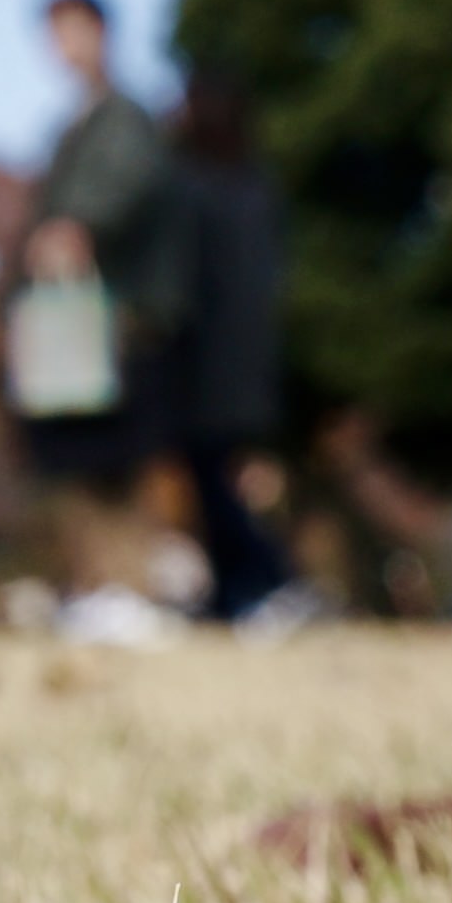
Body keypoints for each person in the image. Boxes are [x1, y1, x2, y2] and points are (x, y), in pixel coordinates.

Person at [9, 0, 174, 540]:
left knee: (117, 464)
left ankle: (138, 574)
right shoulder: (77, 121)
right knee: (82, 468)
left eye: (72, 31)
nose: (63, 47)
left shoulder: (122, 116)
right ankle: (114, 574)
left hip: (121, 322)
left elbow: (123, 185)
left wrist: (75, 226)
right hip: (89, 323)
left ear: (101, 32)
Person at [164, 64, 298, 625]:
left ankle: (263, 578)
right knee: (213, 475)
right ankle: (237, 587)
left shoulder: (197, 186)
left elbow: (186, 277)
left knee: (212, 476)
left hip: (210, 356)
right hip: (237, 353)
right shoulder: (252, 185)